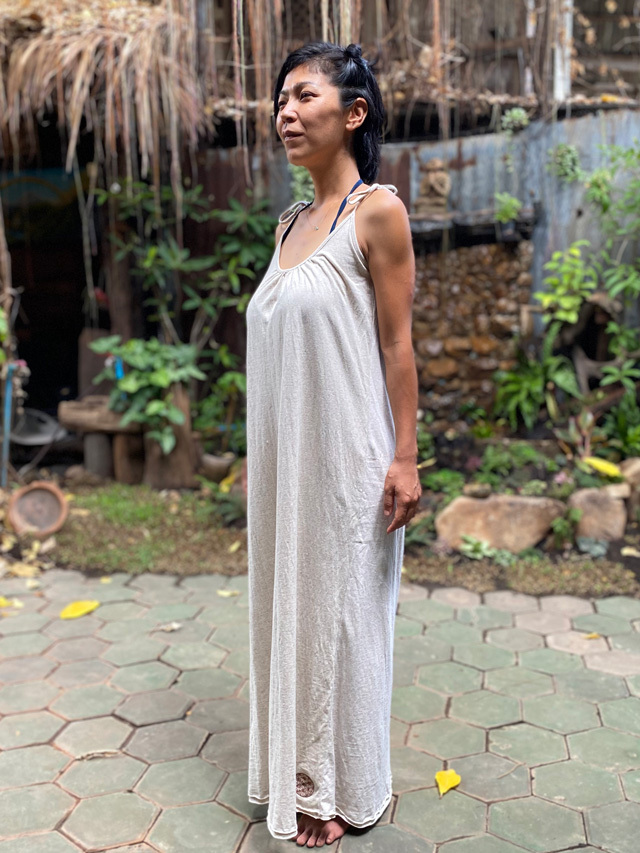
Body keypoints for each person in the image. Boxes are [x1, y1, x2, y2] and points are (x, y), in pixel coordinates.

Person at [245, 41, 421, 847]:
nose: (285, 112)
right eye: (281, 99)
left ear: (353, 113)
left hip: (352, 456)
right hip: (291, 465)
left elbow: (397, 343)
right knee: (292, 607)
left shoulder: (376, 211)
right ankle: (299, 768)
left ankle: (347, 784)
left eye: (303, 96)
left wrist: (405, 455)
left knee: (346, 618)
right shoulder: (288, 223)